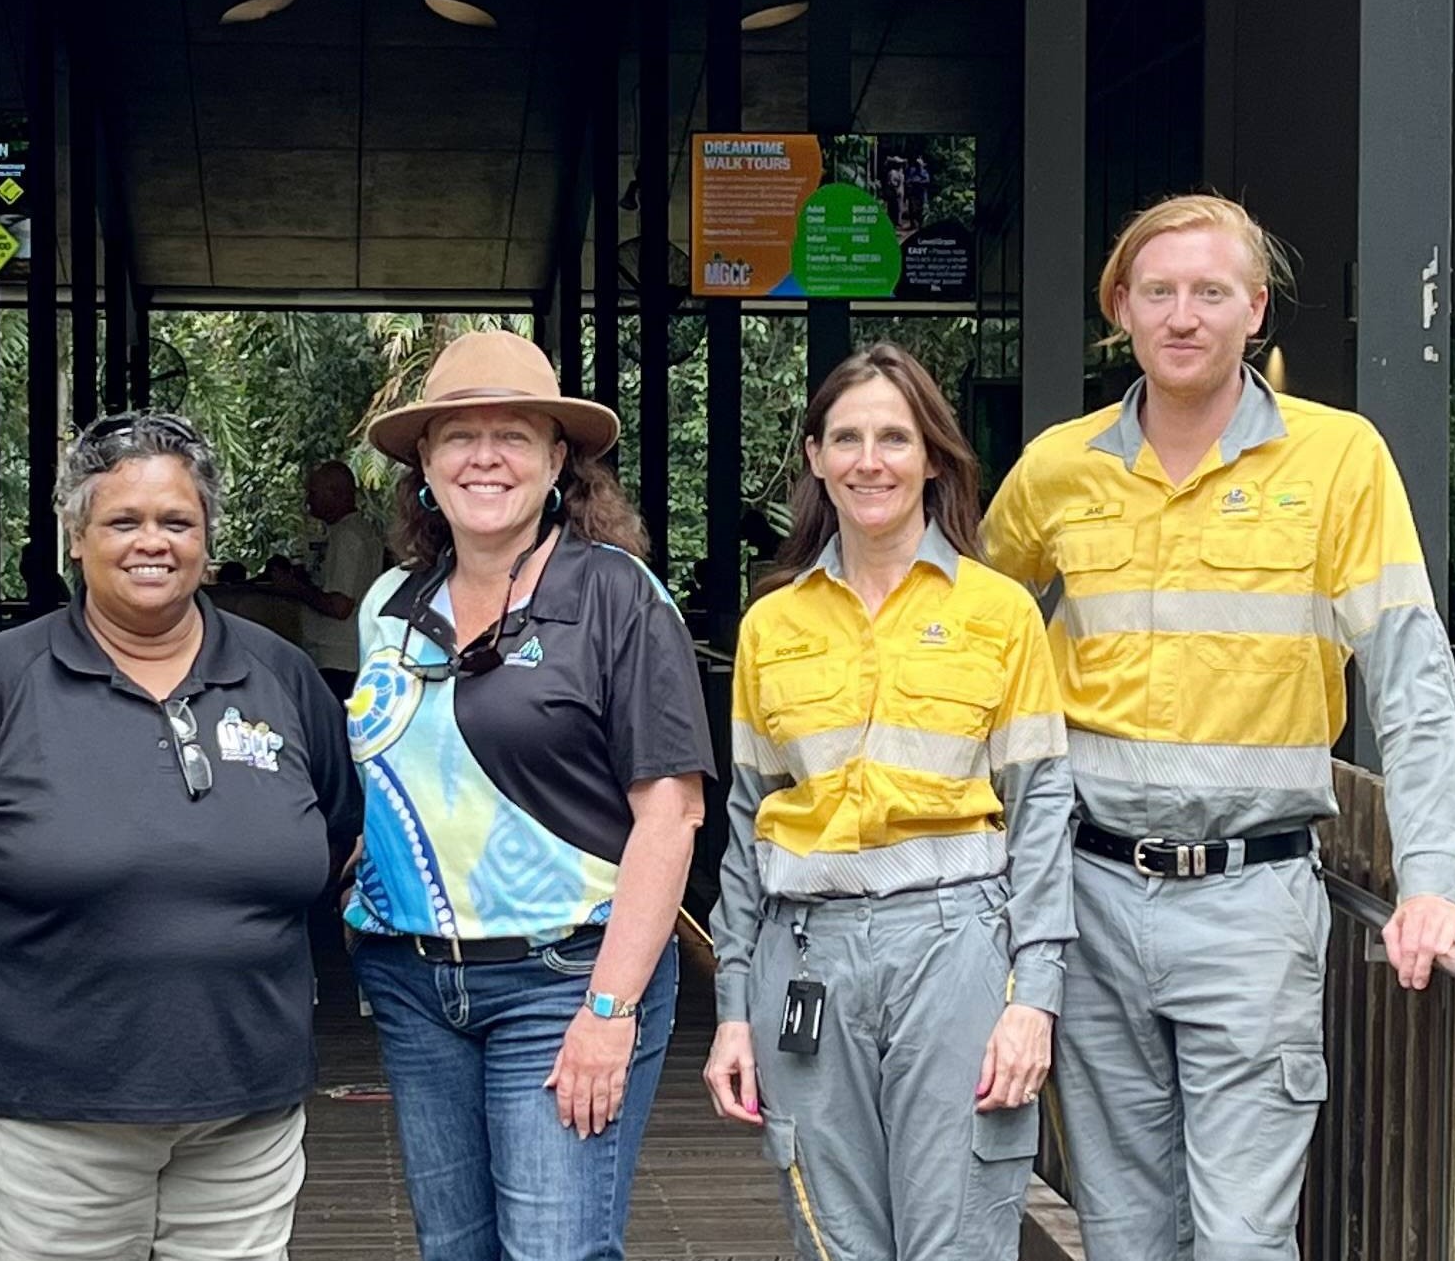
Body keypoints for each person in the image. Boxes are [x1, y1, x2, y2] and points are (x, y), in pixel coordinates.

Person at [979, 194, 1455, 1261]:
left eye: (1210, 291)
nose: (1182, 314)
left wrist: (1433, 875)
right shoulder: (1057, 468)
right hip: (1090, 898)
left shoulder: (1336, 459)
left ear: (1255, 308)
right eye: (1156, 290)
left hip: (1252, 904)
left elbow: (1408, 676)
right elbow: (970, 645)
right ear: (1119, 307)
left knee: (1241, 1238)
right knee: (1121, 1234)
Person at [0, 411, 359, 1261]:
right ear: (76, 537)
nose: (153, 543)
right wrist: (49, 934)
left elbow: (334, 840)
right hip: (53, 1109)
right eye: (122, 521)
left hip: (246, 1106)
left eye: (177, 522)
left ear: (208, 538)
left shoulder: (280, 676)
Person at [347, 330, 715, 1261]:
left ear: (557, 461)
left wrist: (608, 1012)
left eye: (511, 434)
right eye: (456, 437)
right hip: (414, 981)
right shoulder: (387, 604)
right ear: (423, 466)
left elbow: (670, 815)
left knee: (554, 1248)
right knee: (452, 1249)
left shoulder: (618, 596)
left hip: (566, 978)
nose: (483, 457)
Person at [705, 343, 1073, 1261]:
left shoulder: (999, 613)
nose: (870, 460)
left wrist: (1034, 999)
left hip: (955, 948)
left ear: (932, 458)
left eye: (894, 438)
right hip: (807, 954)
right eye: (848, 438)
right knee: (831, 1237)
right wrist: (733, 1009)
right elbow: (746, 828)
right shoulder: (771, 623)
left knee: (957, 1232)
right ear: (816, 460)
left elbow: (1040, 812)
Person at [298, 458, 387, 700]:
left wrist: (295, 589)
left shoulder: (348, 537)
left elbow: (340, 605)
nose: (308, 501)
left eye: (314, 493)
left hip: (337, 657)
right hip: (346, 655)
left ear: (335, 494)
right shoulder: (359, 532)